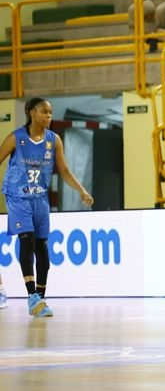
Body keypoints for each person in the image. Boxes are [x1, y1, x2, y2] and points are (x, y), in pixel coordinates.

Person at [0, 97, 94, 317]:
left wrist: (81, 190)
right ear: (32, 112)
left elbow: (65, 171)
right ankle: (31, 296)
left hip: (40, 198)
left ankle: (40, 300)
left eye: (51, 113)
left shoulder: (54, 140)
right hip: (17, 195)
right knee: (28, 239)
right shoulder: (16, 138)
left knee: (43, 247)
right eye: (44, 112)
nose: (49, 116)